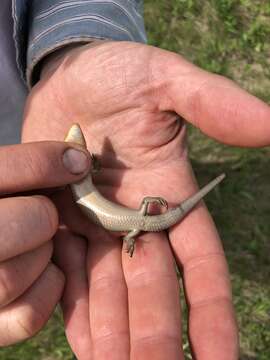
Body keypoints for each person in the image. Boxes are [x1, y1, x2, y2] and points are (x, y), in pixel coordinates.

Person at [1, 1, 270, 359]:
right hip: (117, 217)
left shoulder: (76, 182)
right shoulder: (83, 184)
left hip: (116, 210)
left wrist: (72, 50)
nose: (75, 138)